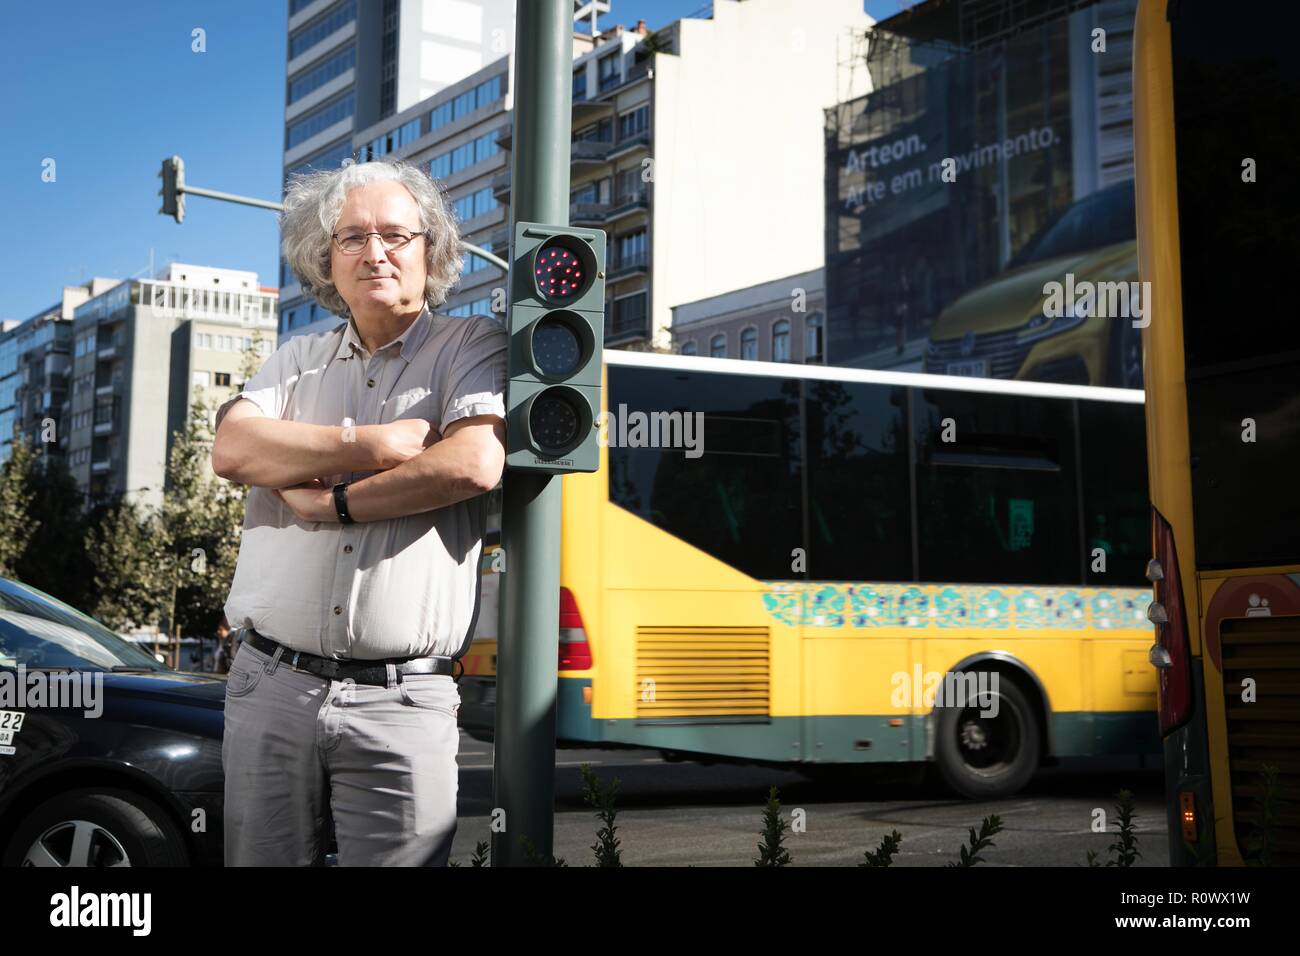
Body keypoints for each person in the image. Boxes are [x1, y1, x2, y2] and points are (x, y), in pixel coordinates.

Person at [211, 159, 507, 866]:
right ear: (326, 259)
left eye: (396, 236)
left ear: (429, 250)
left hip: (402, 702)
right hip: (269, 686)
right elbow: (232, 449)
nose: (375, 253)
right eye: (352, 238)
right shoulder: (296, 359)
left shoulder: (471, 346)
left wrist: (332, 502)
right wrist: (375, 444)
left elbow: (471, 464)